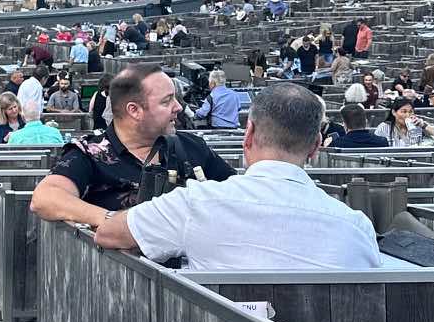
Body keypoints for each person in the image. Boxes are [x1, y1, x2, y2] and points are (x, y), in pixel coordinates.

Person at [95, 83, 381, 271]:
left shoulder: (197, 202)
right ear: (316, 146)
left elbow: (109, 233)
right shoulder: (357, 227)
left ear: (249, 133)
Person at [29, 61, 233, 228]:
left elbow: (239, 192)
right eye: (167, 101)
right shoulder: (89, 153)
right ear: (134, 110)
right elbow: (45, 198)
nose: (178, 107)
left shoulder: (191, 146)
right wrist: (116, 222)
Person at [7, 80, 65, 147]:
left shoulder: (14, 137)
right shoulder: (55, 133)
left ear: (23, 116)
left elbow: (10, 156)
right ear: (40, 115)